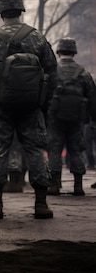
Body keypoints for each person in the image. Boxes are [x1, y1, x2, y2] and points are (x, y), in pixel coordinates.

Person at [0, 0, 57, 219]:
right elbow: (52, 73)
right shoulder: (37, 38)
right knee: (36, 150)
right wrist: (43, 105)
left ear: (0, 12)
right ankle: (41, 204)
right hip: (32, 107)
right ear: (21, 11)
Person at [46, 37, 96, 196]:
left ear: (59, 51)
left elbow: (44, 94)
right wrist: (91, 117)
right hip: (77, 119)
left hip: (55, 119)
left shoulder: (52, 71)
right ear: (74, 52)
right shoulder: (83, 73)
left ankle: (54, 185)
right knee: (76, 149)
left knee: (54, 149)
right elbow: (92, 97)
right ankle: (78, 186)